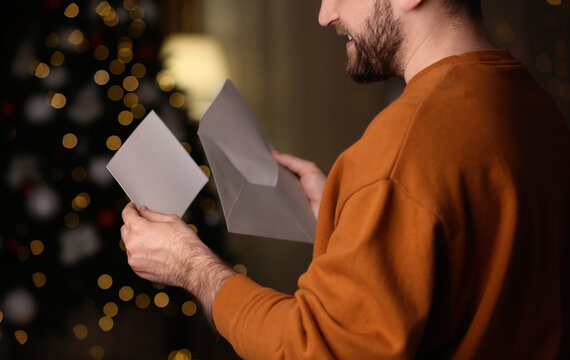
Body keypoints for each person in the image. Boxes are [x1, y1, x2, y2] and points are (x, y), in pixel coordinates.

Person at [120, 0, 570, 358]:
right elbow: (480, 262)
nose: (325, 14)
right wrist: (350, 218)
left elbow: (313, 350)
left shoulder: (401, 149)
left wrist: (192, 267)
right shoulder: (531, 104)